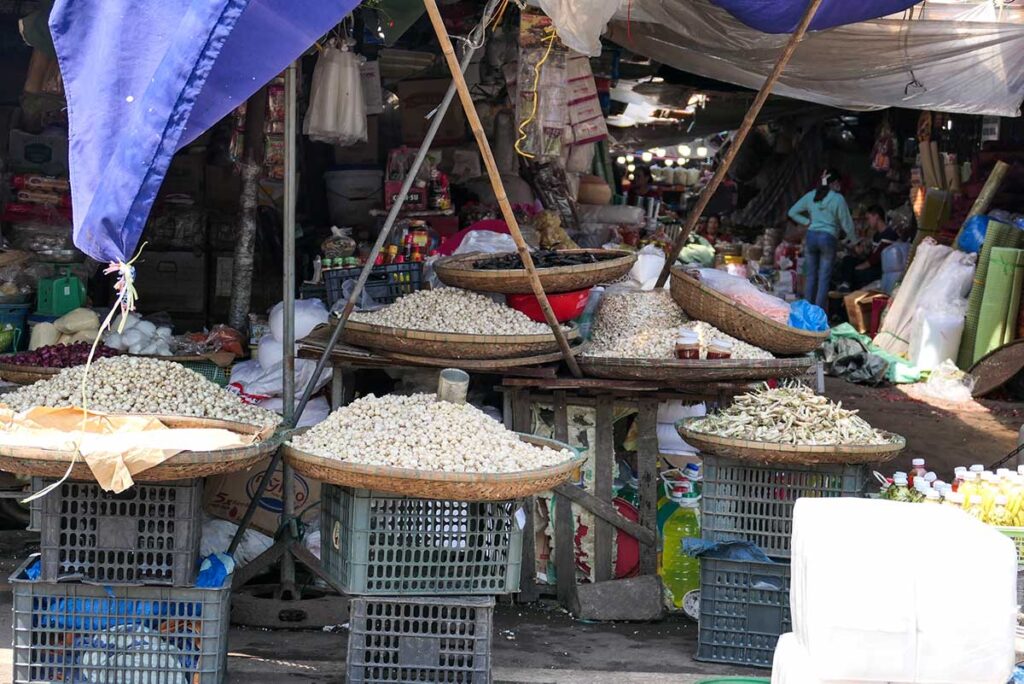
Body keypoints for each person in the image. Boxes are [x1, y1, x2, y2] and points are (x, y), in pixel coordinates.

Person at [788, 168, 854, 309]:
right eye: (838, 183)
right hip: (828, 238)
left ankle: (806, 310)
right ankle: (818, 313)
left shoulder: (811, 195)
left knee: (811, 275)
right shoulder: (838, 199)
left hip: (811, 237)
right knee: (824, 278)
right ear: (834, 183)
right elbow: (847, 223)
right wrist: (855, 241)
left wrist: (807, 222)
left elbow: (792, 212)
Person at [834, 205, 900, 292]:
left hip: (879, 269)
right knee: (848, 260)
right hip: (871, 265)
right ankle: (845, 284)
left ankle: (847, 288)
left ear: (876, 216)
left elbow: (875, 259)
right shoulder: (877, 235)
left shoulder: (889, 234)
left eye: (868, 218)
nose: (868, 222)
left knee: (855, 273)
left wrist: (858, 267)